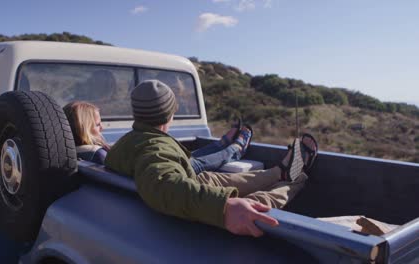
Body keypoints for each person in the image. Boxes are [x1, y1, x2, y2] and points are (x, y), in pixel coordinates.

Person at [105, 80, 318, 237]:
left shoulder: (129, 142)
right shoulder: (155, 147)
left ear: (137, 114)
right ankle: (294, 180)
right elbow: (163, 186)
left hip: (183, 186)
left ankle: (278, 172)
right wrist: (224, 207)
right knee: (255, 206)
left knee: (210, 179)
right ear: (171, 113)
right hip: (185, 212)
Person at [63, 101, 254, 174]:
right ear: (84, 128)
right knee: (196, 161)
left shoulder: (70, 153)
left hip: (147, 168)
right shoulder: (97, 155)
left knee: (190, 155)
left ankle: (224, 142)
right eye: (97, 124)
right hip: (155, 174)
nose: (102, 127)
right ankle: (235, 148)